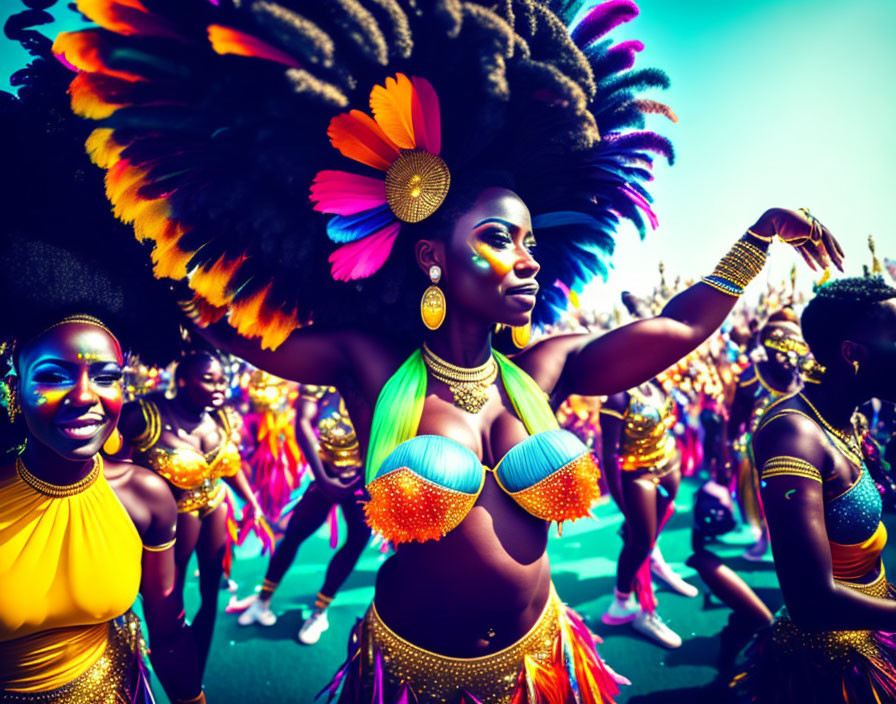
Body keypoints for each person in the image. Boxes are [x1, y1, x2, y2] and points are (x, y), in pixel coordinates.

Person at [55, 0, 843, 700]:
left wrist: (760, 236)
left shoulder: (547, 367)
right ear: (433, 256)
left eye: (532, 241)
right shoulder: (365, 364)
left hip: (545, 663)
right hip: (415, 674)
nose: (528, 258)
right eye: (500, 239)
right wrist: (142, 246)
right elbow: (225, 322)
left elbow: (679, 328)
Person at [0, 25, 202, 699]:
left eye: (106, 375)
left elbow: (167, 627)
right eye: (54, 375)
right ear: (16, 388)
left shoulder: (145, 496)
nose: (85, 395)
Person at [732, 276, 896, 703]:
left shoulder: (848, 416)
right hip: (834, 660)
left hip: (877, 618)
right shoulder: (794, 436)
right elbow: (811, 601)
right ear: (851, 354)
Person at [117, 351, 263, 676]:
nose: (218, 387)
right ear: (181, 380)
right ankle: (171, 662)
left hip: (215, 508)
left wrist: (251, 501)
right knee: (170, 598)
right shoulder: (144, 415)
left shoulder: (222, 417)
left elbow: (230, 467)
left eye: (222, 380)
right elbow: (108, 460)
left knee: (211, 591)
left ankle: (198, 663)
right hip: (172, 520)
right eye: (208, 379)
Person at [599, 293, 698, 649]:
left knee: (651, 533)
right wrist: (622, 503)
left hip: (669, 464)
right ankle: (624, 603)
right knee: (638, 538)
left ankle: (654, 558)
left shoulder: (659, 384)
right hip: (638, 475)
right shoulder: (618, 397)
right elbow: (608, 454)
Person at [237, 385, 370, 645]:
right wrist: (322, 478)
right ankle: (262, 600)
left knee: (356, 543)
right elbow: (303, 423)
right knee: (293, 535)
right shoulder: (321, 383)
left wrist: (361, 479)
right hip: (324, 476)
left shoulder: (381, 381)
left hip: (363, 482)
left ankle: (320, 612)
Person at [727, 316, 807, 559]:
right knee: (765, 500)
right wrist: (729, 448)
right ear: (768, 350)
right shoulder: (750, 377)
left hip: (801, 453)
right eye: (779, 352)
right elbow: (735, 419)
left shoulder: (804, 378)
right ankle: (764, 538)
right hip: (760, 454)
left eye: (791, 352)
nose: (786, 359)